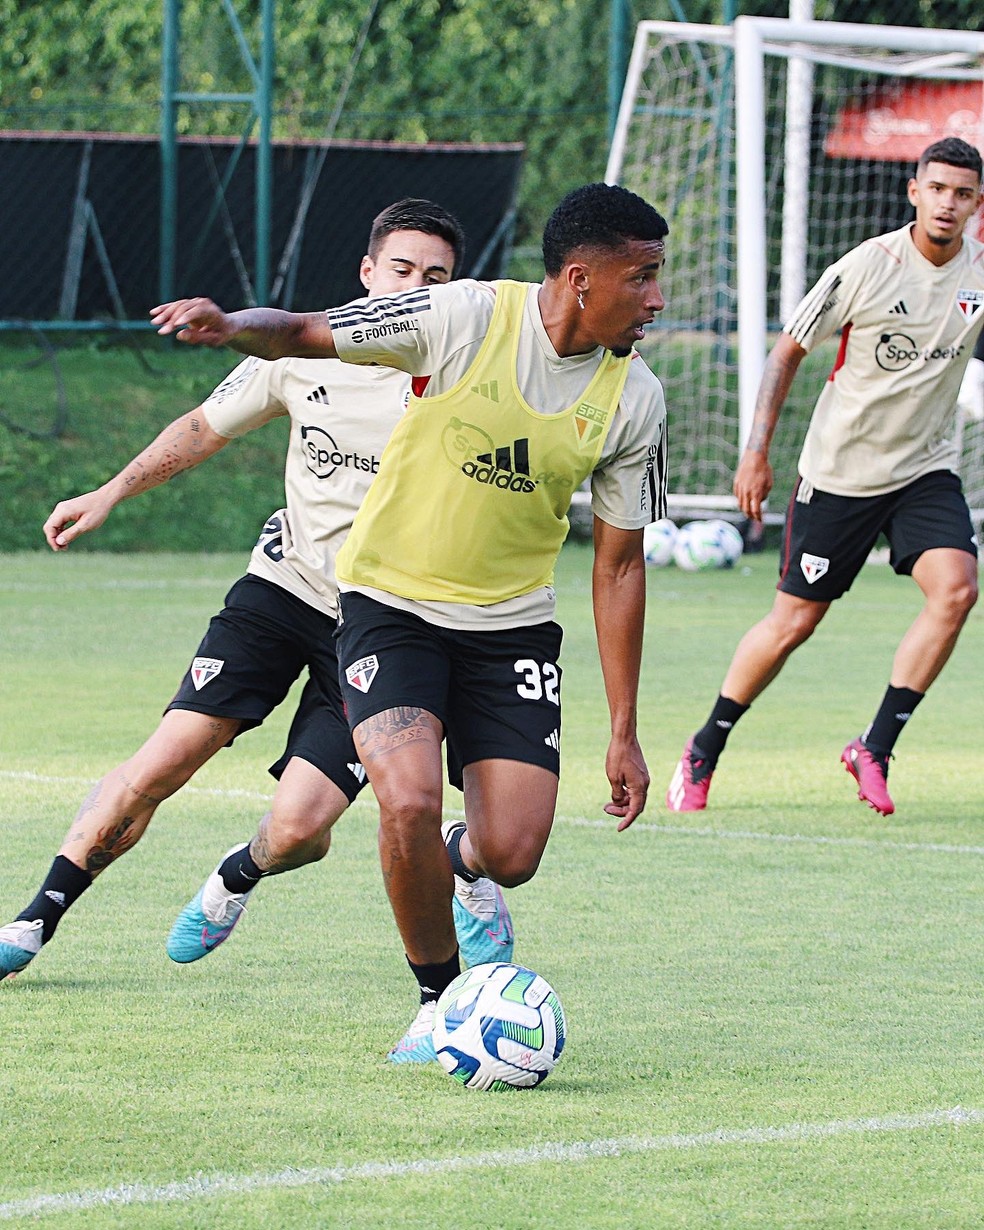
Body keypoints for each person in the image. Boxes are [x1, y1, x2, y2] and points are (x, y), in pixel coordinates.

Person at [151, 181, 670, 1062]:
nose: (658, 297)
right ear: (581, 279)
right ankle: (438, 1001)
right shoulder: (465, 318)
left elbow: (618, 567)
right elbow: (311, 331)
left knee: (513, 853)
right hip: (390, 607)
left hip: (510, 629)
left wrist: (624, 731)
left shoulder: (635, 398)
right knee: (409, 800)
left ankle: (463, 867)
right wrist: (233, 322)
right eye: (644, 277)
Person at [0, 199, 515, 997]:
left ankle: (238, 873)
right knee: (164, 760)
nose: (416, 288)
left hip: (386, 623)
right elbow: (206, 426)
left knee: (302, 831)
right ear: (368, 273)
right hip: (282, 591)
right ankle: (33, 920)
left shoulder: (463, 372)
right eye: (403, 270)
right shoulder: (304, 353)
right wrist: (110, 491)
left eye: (436, 277)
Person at [667, 136, 984, 817]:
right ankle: (704, 748)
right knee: (793, 624)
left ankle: (875, 745)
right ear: (914, 192)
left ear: (977, 204)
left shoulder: (979, 275)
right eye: (938, 189)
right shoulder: (868, 267)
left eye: (962, 194)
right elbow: (787, 354)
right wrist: (756, 451)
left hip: (925, 469)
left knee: (957, 589)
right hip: (840, 473)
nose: (948, 204)